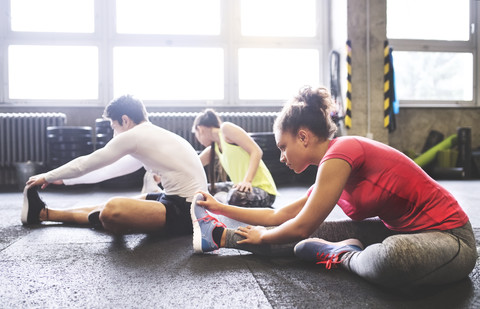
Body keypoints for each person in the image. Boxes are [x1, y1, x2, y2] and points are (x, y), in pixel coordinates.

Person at [190, 85, 477, 289]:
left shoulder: (344, 151)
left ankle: (342, 256)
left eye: (283, 147)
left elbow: (300, 226)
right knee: (284, 235)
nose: (281, 157)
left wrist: (266, 237)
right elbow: (278, 217)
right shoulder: (330, 171)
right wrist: (217, 207)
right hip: (396, 229)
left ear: (303, 136)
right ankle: (216, 236)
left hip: (450, 238)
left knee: (394, 257)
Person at [22, 94, 208, 236]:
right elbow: (107, 171)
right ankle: (43, 213)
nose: (113, 134)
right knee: (109, 205)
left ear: (125, 120)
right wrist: (64, 180)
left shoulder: (135, 136)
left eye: (113, 126)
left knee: (112, 208)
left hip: (187, 212)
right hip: (174, 201)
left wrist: (47, 176)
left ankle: (116, 221)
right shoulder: (148, 137)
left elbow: (86, 162)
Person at [192, 109, 277, 207]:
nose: (197, 139)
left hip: (263, 191)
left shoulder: (226, 129)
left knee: (236, 197)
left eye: (196, 134)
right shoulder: (214, 147)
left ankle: (224, 201)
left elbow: (256, 151)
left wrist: (247, 181)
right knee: (201, 191)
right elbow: (194, 164)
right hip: (240, 188)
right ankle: (225, 200)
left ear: (200, 129)